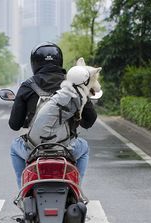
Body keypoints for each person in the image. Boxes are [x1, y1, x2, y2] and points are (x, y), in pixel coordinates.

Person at [9, 42, 97, 189]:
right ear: (59, 61)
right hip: (68, 148)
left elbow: (14, 124)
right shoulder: (74, 85)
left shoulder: (27, 86)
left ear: (34, 63)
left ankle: (22, 192)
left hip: (34, 149)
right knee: (84, 146)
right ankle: (76, 189)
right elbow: (89, 121)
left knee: (14, 146)